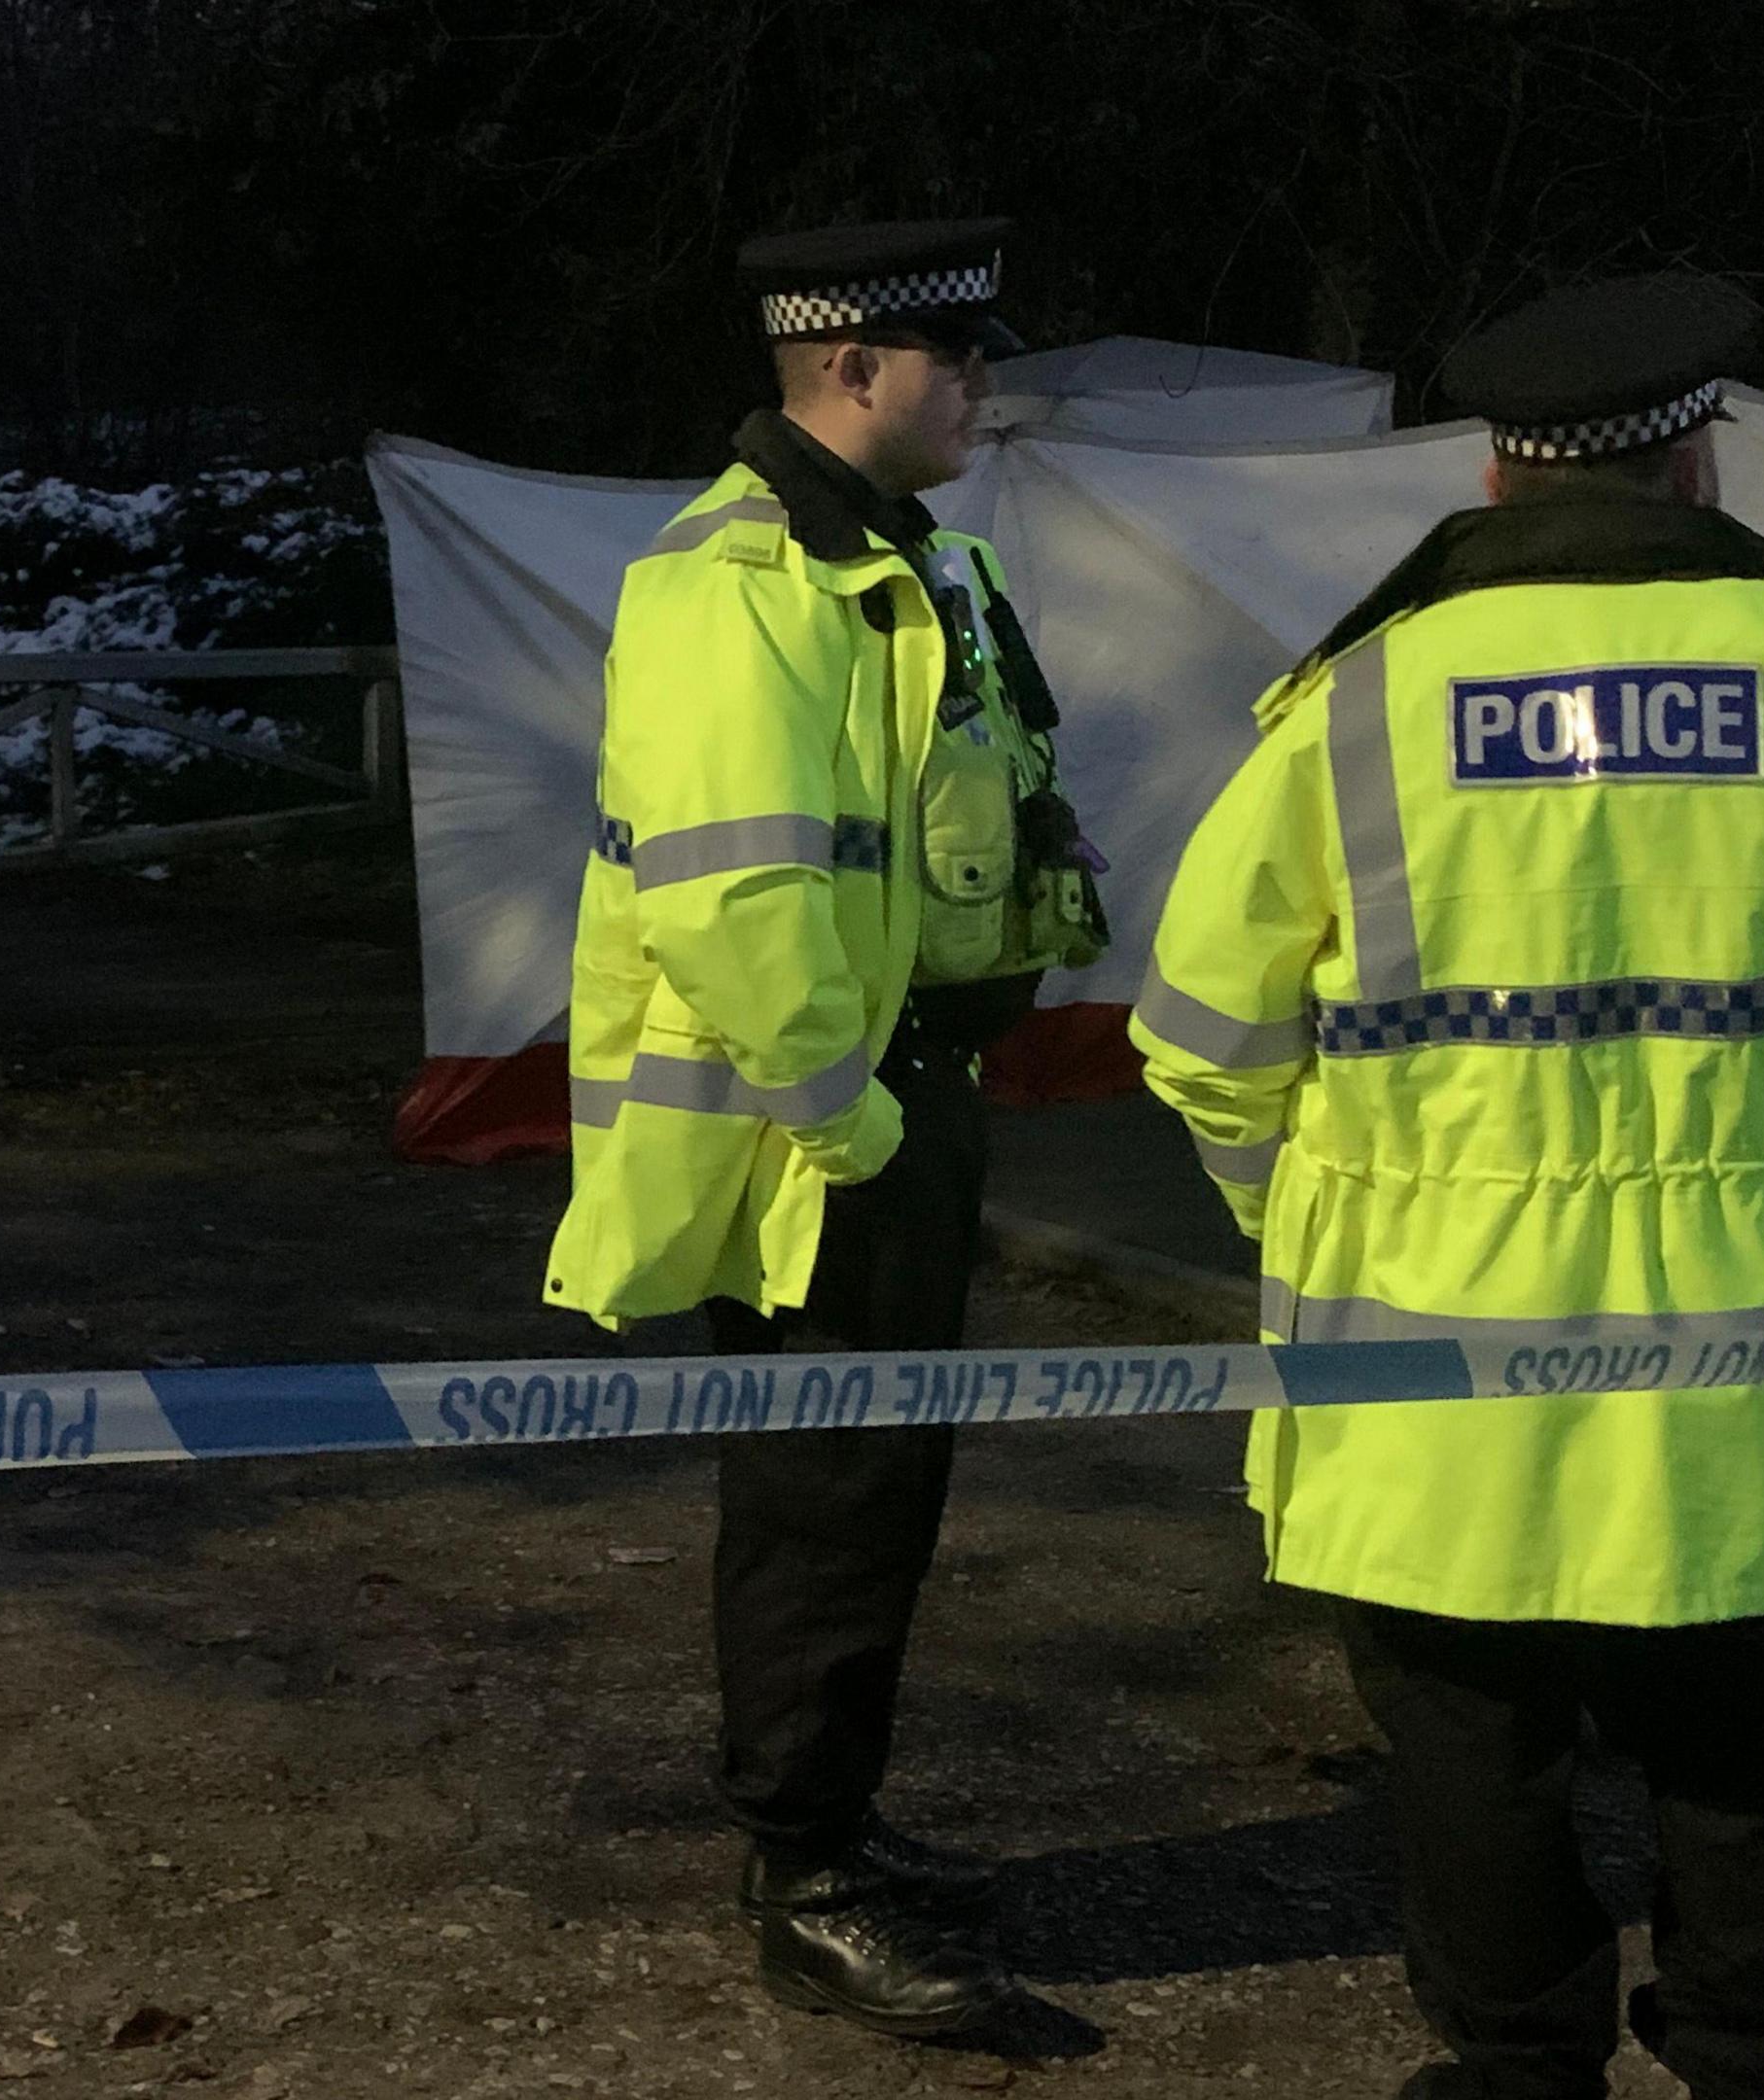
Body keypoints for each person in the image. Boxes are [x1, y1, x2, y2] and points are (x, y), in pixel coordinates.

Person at [1130, 274, 1764, 2100]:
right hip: (1745, 1370)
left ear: (1499, 475)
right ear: (1695, 460)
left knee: (1470, 1744)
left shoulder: (1360, 698)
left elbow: (1203, 1037)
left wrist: (1295, 1209)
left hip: (1432, 1379)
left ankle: (1518, 2068)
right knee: (1744, 1737)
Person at [542, 218, 1110, 2037]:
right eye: (957, 361)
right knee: (827, 1500)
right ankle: (807, 1877)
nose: (985, 391)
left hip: (896, 1105)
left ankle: (830, 1830)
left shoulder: (898, 560)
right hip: (821, 1143)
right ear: (851, 366)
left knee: (876, 1492)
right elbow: (731, 896)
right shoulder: (740, 583)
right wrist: (847, 1124)